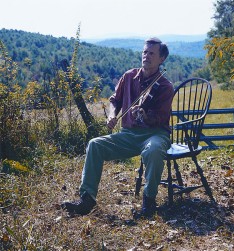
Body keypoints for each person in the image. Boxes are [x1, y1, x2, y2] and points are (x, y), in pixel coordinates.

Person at [61, 37, 174, 218]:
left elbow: (161, 118)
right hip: (129, 134)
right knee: (95, 144)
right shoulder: (129, 76)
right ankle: (87, 199)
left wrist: (146, 115)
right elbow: (115, 100)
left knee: (152, 150)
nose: (146, 56)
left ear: (162, 59)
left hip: (155, 134)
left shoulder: (165, 86)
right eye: (145, 52)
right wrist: (113, 114)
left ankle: (149, 200)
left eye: (152, 53)